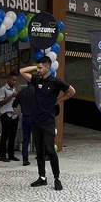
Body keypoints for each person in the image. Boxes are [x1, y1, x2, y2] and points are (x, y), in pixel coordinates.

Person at [19, 57, 75, 191]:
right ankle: (42, 177)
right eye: (37, 68)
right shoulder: (37, 80)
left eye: (40, 68)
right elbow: (22, 71)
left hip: (48, 121)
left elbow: (72, 91)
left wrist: (60, 100)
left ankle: (57, 178)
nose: (38, 70)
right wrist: (36, 67)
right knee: (39, 151)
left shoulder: (56, 82)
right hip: (35, 120)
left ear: (48, 68)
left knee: (50, 150)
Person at [0, 72, 20, 162]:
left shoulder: (14, 89)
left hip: (14, 115)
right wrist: (11, 96)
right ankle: (3, 155)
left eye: (15, 80)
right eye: (12, 80)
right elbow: (1, 102)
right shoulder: (3, 89)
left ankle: (11, 154)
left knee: (13, 136)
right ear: (8, 79)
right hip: (6, 114)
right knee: (5, 136)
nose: (14, 82)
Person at [14, 86, 33, 166]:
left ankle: (25, 159)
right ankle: (40, 157)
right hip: (35, 117)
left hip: (25, 117)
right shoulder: (37, 91)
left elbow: (14, 105)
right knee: (38, 139)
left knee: (25, 139)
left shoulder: (21, 92)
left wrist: (19, 114)